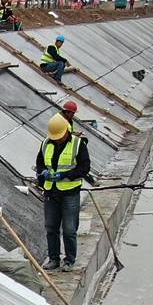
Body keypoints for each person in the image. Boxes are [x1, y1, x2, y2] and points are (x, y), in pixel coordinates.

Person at [34, 113, 91, 271]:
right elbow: (40, 162)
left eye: (59, 136)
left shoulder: (78, 144)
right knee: (51, 227)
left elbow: (84, 168)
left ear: (67, 130)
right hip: (51, 193)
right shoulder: (46, 143)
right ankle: (54, 259)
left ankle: (69, 260)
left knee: (69, 229)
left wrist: (65, 175)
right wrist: (42, 172)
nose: (57, 139)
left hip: (69, 193)